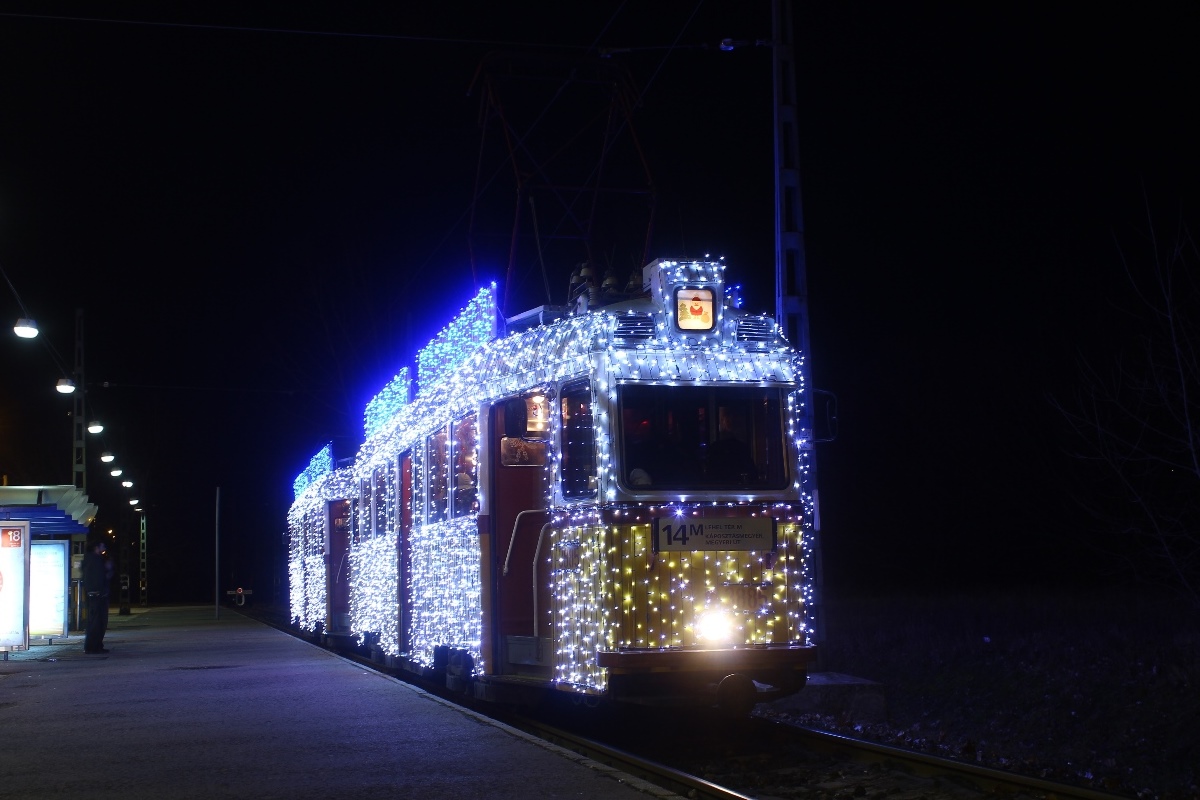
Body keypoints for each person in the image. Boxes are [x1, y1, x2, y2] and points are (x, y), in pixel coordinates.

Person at [82, 538, 111, 654]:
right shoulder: (97, 560)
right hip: (98, 594)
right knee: (97, 622)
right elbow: (99, 578)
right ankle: (94, 646)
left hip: (92, 593)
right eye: (102, 546)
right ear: (96, 547)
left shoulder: (88, 559)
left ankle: (94, 645)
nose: (104, 549)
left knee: (94, 621)